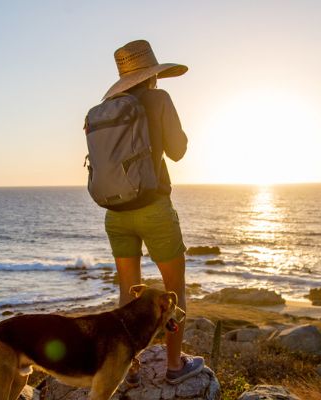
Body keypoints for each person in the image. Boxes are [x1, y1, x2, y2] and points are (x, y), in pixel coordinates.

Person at [100, 39, 204, 385]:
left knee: (128, 291)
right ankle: (174, 366)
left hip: (115, 211)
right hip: (154, 208)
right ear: (152, 75)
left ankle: (127, 367)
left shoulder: (109, 105)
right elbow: (177, 151)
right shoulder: (159, 99)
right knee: (175, 289)